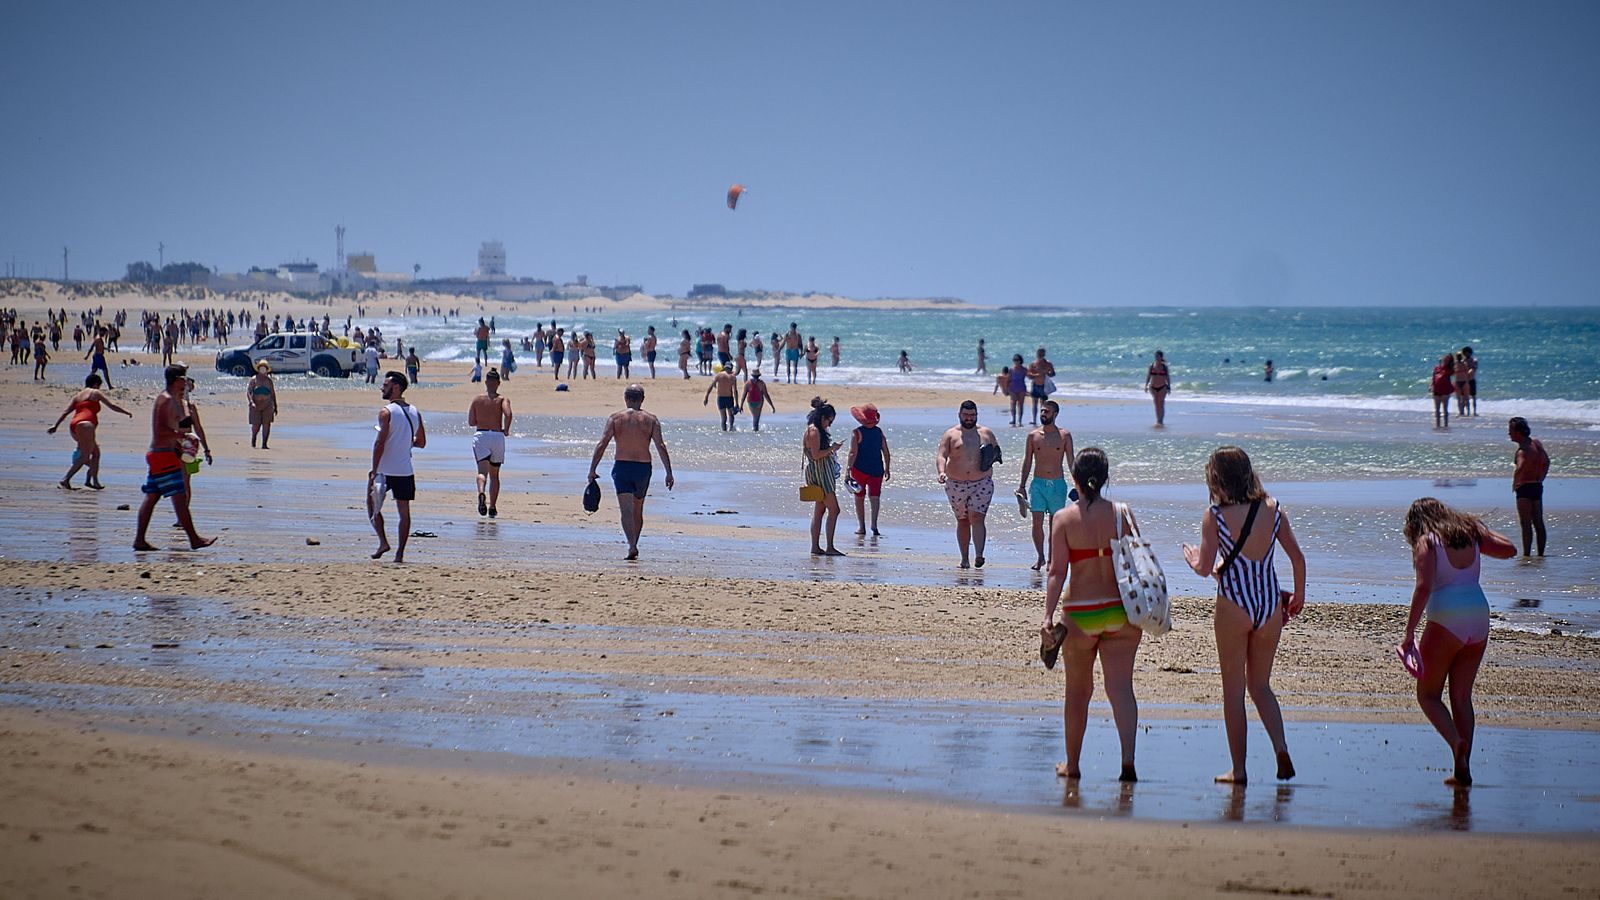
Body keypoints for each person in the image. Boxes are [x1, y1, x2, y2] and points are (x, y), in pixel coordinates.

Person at [1181, 446, 1307, 784]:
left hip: (1234, 604)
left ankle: (1238, 770)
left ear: (1217, 480)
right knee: (1261, 685)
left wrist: (1193, 560)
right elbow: (1297, 558)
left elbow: (1206, 567)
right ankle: (1280, 748)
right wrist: (1299, 595)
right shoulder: (1273, 509)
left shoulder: (1216, 516)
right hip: (1269, 605)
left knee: (1234, 692)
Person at [1038, 447, 1140, 782]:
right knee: (1120, 688)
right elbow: (1138, 564)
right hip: (1120, 612)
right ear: (1106, 478)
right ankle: (1127, 761)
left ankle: (1073, 764)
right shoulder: (1122, 514)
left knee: (1078, 692)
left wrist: (1047, 617)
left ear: (1076, 480)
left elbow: (1056, 572)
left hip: (1080, 614)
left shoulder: (1064, 518)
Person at [1400, 498, 1517, 786]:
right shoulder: (1469, 534)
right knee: (1462, 697)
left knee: (1428, 696)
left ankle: (1455, 742)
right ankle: (1462, 767)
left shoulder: (1427, 541)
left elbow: (1424, 586)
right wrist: (1477, 527)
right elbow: (1510, 549)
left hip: (1446, 617)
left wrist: (1409, 632)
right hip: (1478, 614)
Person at [587, 384, 675, 560]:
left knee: (625, 510)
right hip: (643, 468)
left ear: (625, 398)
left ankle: (632, 545)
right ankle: (634, 542)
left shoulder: (616, 418)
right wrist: (669, 472)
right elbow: (661, 446)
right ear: (642, 399)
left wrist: (592, 470)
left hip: (623, 467)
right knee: (637, 509)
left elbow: (602, 443)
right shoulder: (651, 420)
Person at [133, 365, 216, 551]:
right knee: (179, 497)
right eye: (184, 379)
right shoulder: (165, 400)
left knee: (152, 497)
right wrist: (181, 435)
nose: (186, 382)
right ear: (177, 379)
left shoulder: (174, 400)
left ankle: (139, 539)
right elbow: (160, 429)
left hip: (161, 454)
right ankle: (194, 539)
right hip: (163, 455)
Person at [368, 371, 426, 563]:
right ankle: (400, 553)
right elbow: (421, 442)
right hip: (405, 471)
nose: (382, 388)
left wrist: (374, 470)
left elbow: (380, 443)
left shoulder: (386, 412)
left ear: (396, 387)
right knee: (404, 513)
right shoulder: (415, 411)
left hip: (384, 471)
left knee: (372, 506)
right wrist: (405, 441)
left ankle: (383, 542)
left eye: (385, 386)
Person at [936, 400, 1000, 568]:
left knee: (977, 517)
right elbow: (942, 455)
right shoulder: (951, 434)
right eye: (966, 415)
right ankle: (964, 559)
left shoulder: (986, 433)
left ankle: (979, 555)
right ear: (960, 415)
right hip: (955, 483)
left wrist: (990, 457)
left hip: (982, 482)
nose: (969, 418)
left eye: (972, 415)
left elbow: (997, 454)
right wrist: (941, 472)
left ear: (976, 415)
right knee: (963, 520)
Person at [48, 373, 131, 489]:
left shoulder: (78, 396)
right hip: (86, 424)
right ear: (96, 384)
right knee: (85, 456)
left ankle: (95, 482)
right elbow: (111, 405)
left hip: (74, 426)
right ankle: (65, 479)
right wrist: (126, 412)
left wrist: (55, 426)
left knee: (96, 454)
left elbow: (65, 412)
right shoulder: (95, 392)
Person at [1018, 399, 1074, 571]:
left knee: (1054, 525)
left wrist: (1079, 483)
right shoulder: (1033, 436)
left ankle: (1051, 559)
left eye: (1046, 412)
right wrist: (1022, 485)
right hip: (1038, 484)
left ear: (1055, 414)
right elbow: (1027, 461)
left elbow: (1071, 461)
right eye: (1042, 411)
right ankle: (1040, 557)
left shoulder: (1064, 436)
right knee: (1036, 522)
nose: (1043, 414)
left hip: (1057, 485)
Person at [803, 398, 846, 556]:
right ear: (823, 418)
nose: (830, 424)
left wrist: (832, 449)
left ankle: (816, 547)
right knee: (834, 510)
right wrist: (832, 449)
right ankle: (829, 547)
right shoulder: (814, 431)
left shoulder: (815, 430)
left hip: (820, 473)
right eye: (830, 421)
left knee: (820, 511)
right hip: (820, 474)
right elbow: (815, 455)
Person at [469, 368, 513, 518]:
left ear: (486, 382)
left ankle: (481, 492)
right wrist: (506, 429)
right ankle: (493, 506)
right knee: (495, 475)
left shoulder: (477, 400)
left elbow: (471, 421)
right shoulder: (502, 400)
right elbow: (508, 414)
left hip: (481, 435)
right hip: (496, 436)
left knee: (482, 472)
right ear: (498, 383)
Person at [847, 403, 891, 536]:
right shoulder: (879, 432)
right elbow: (886, 451)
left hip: (859, 469)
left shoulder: (857, 433)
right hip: (877, 469)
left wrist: (848, 470)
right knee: (875, 497)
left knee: (859, 497)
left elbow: (852, 453)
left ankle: (861, 526)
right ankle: (874, 524)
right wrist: (887, 468)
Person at [1509, 416, 1550, 556]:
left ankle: (1526, 554)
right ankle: (1541, 554)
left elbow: (1520, 467)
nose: (1509, 434)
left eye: (1510, 431)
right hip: (1537, 486)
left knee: (1525, 524)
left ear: (1518, 433)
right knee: (1538, 522)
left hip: (1524, 488)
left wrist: (1515, 483)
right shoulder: (1536, 442)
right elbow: (1547, 461)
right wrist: (1542, 477)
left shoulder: (1521, 451)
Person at [247, 361, 278, 449]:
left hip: (267, 404)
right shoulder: (254, 379)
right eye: (261, 367)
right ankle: (253, 439)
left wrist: (275, 406)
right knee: (256, 426)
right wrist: (251, 402)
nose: (263, 369)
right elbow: (249, 392)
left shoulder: (269, 381)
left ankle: (264, 444)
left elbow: (272, 393)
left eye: (265, 368)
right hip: (256, 405)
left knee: (266, 424)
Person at [704, 363, 739, 431]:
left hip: (720, 398)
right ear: (731, 368)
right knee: (731, 415)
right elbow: (735, 391)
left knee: (723, 417)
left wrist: (706, 397)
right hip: (729, 398)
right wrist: (737, 403)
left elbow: (711, 386)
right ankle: (731, 428)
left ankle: (724, 431)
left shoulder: (719, 375)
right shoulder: (733, 377)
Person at [1027, 347, 1055, 426]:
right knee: (1034, 403)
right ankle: (1034, 420)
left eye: (1042, 353)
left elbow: (1053, 373)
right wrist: (1036, 375)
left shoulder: (1048, 364)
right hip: (1035, 385)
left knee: (1043, 405)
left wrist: (1047, 373)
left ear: (1044, 354)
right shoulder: (1033, 364)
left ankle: (1042, 420)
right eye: (1039, 353)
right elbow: (1029, 375)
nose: (1040, 354)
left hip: (1044, 386)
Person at [1144, 350, 1170, 426]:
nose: (1157, 358)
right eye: (1156, 356)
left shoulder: (1164, 367)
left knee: (1161, 403)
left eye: (1158, 356)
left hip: (1162, 387)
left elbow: (1167, 377)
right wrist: (1146, 385)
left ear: (1161, 357)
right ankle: (1157, 420)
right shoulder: (1151, 366)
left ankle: (1160, 420)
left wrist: (1169, 386)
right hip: (1153, 387)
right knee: (1156, 403)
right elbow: (1148, 376)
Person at [1430, 354, 1454, 429]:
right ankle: (1438, 424)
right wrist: (1431, 385)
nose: (1445, 360)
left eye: (1447, 360)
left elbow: (1448, 373)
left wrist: (1444, 366)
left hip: (1445, 389)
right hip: (1436, 389)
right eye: (1445, 359)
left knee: (1445, 408)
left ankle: (1446, 424)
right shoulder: (1437, 368)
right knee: (1437, 408)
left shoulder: (1449, 369)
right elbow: (1433, 377)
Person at [1007, 355, 1027, 427]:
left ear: (1020, 361)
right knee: (1013, 404)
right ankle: (1013, 419)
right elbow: (1008, 379)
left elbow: (1030, 376)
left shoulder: (1024, 369)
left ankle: (1020, 420)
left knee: (1020, 405)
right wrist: (1007, 389)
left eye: (1017, 360)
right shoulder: (1011, 369)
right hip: (1013, 388)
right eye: (1015, 360)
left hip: (1021, 388)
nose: (1016, 362)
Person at [1453, 350, 1472, 418]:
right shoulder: (1456, 364)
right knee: (1460, 399)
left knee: (1465, 398)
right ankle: (1461, 412)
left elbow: (1467, 372)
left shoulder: (1463, 364)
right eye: (1458, 356)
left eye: (1459, 356)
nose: (1458, 357)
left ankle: (1467, 411)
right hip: (1459, 381)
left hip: (1462, 381)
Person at [1462, 346, 1479, 416]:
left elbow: (1474, 369)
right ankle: (1467, 411)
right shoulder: (1463, 361)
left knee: (1473, 397)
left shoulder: (1474, 360)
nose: (1467, 354)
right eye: (1465, 353)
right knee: (1465, 397)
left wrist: (1469, 372)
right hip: (1465, 381)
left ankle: (1474, 411)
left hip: (1471, 380)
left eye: (1468, 353)